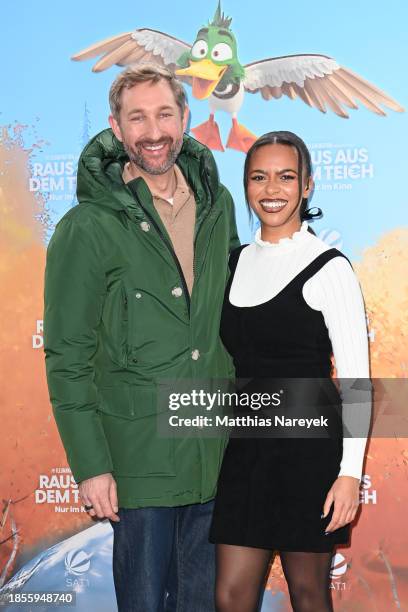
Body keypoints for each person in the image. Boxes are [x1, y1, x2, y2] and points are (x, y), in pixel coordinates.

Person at [43, 63, 239, 611]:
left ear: (184, 119)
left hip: (215, 452)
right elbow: (67, 356)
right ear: (117, 127)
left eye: (164, 114)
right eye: (137, 118)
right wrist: (91, 465)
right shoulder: (86, 227)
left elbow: (235, 319)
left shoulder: (218, 206)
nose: (153, 132)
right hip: (138, 463)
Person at [209, 131, 371, 612]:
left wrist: (349, 475)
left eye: (285, 176)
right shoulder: (234, 263)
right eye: (258, 177)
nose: (271, 189)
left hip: (309, 459)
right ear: (246, 186)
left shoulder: (329, 267)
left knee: (307, 594)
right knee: (230, 595)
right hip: (246, 453)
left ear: (307, 186)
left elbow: (358, 383)